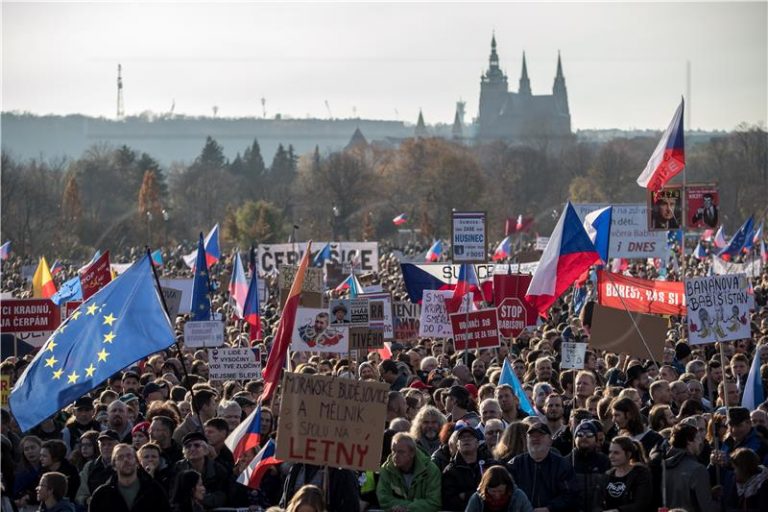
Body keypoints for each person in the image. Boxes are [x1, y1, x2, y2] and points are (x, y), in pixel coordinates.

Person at [507, 422, 578, 512]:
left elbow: (570, 495)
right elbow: (507, 492)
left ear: (550, 440)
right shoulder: (515, 464)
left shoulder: (562, 465)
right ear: (526, 439)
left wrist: (549, 508)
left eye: (540, 435)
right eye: (532, 436)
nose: (536, 438)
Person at [652, 423, 718, 512]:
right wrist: (720, 501)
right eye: (698, 438)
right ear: (689, 441)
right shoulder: (697, 470)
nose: (701, 442)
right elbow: (707, 507)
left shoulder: (661, 467)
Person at [89, 443, 170, 512]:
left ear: (137, 463)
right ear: (114, 465)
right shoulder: (102, 495)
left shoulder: (154, 490)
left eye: (129, 456)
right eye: (120, 457)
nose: (126, 460)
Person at [377, 432, 441, 512]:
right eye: (393, 451)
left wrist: (407, 508)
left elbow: (434, 502)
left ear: (412, 453)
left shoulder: (431, 470)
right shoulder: (387, 469)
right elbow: (384, 499)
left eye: (401, 452)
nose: (395, 456)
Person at [441, 424, 497, 511]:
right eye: (462, 437)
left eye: (470, 437)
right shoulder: (450, 471)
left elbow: (497, 493)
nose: (466, 439)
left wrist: (464, 495)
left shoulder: (491, 466)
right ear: (458, 445)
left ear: (477, 443)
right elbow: (449, 502)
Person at [171, 432, 230, 510]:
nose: (192, 449)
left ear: (206, 450)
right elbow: (173, 494)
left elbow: (222, 496)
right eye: (188, 446)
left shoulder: (218, 469)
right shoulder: (177, 468)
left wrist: (200, 498)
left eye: (197, 445)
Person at [602, 436, 653, 512]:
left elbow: (641, 504)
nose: (611, 456)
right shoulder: (608, 475)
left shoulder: (641, 474)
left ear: (628, 454)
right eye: (610, 452)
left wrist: (618, 510)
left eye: (616, 453)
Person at [570, 420, 609, 512]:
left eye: (589, 434)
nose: (584, 437)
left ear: (596, 439)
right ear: (574, 439)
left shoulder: (605, 461)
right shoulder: (565, 462)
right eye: (579, 434)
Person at [75, 430, 118, 507]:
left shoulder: (124, 466)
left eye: (110, 444)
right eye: (103, 444)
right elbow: (81, 494)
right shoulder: (89, 466)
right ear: (98, 446)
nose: (106, 448)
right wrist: (87, 500)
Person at [464, 465, 533, 512]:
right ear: (486, 488)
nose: (497, 495)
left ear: (507, 487)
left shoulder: (518, 497)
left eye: (500, 491)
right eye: (493, 491)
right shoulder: (477, 499)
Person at [723, 447, 768, 512]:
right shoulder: (736, 481)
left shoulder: (763, 485)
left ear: (744, 468)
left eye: (735, 468)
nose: (734, 472)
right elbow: (729, 504)